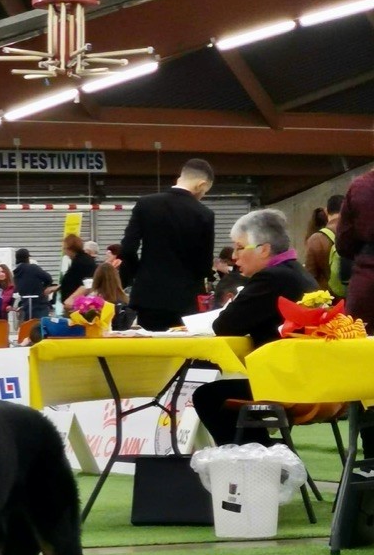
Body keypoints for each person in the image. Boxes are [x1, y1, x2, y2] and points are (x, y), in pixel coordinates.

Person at [192, 208, 317, 446]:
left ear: (264, 249)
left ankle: (258, 458)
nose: (234, 256)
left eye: (240, 247)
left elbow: (225, 325)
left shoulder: (271, 279)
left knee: (208, 396)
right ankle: (265, 454)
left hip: (288, 385)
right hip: (310, 379)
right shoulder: (299, 273)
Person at [120, 159, 215, 330]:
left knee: (152, 344)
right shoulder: (204, 214)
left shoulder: (145, 204)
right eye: (205, 192)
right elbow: (204, 264)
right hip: (186, 298)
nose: (202, 196)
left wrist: (139, 272)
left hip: (149, 295)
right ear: (201, 184)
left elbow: (127, 248)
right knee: (183, 345)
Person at [336, 166, 374, 459]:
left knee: (365, 370)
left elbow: (344, 243)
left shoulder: (361, 186)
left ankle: (371, 456)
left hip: (368, 284)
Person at [304, 194, 344, 292]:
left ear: (326, 211)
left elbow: (309, 278)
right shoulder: (359, 231)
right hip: (360, 295)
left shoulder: (316, 239)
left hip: (330, 298)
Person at [13, 248, 54, 320]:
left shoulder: (16, 272)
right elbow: (49, 278)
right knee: (40, 325)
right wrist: (44, 288)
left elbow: (17, 288)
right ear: (27, 258)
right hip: (39, 303)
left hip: (25, 304)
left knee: (28, 325)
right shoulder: (33, 268)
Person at [59, 234, 97, 306]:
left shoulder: (82, 261)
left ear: (71, 249)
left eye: (65, 248)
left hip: (78, 305)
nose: (64, 252)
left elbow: (87, 284)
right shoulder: (78, 260)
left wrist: (71, 299)